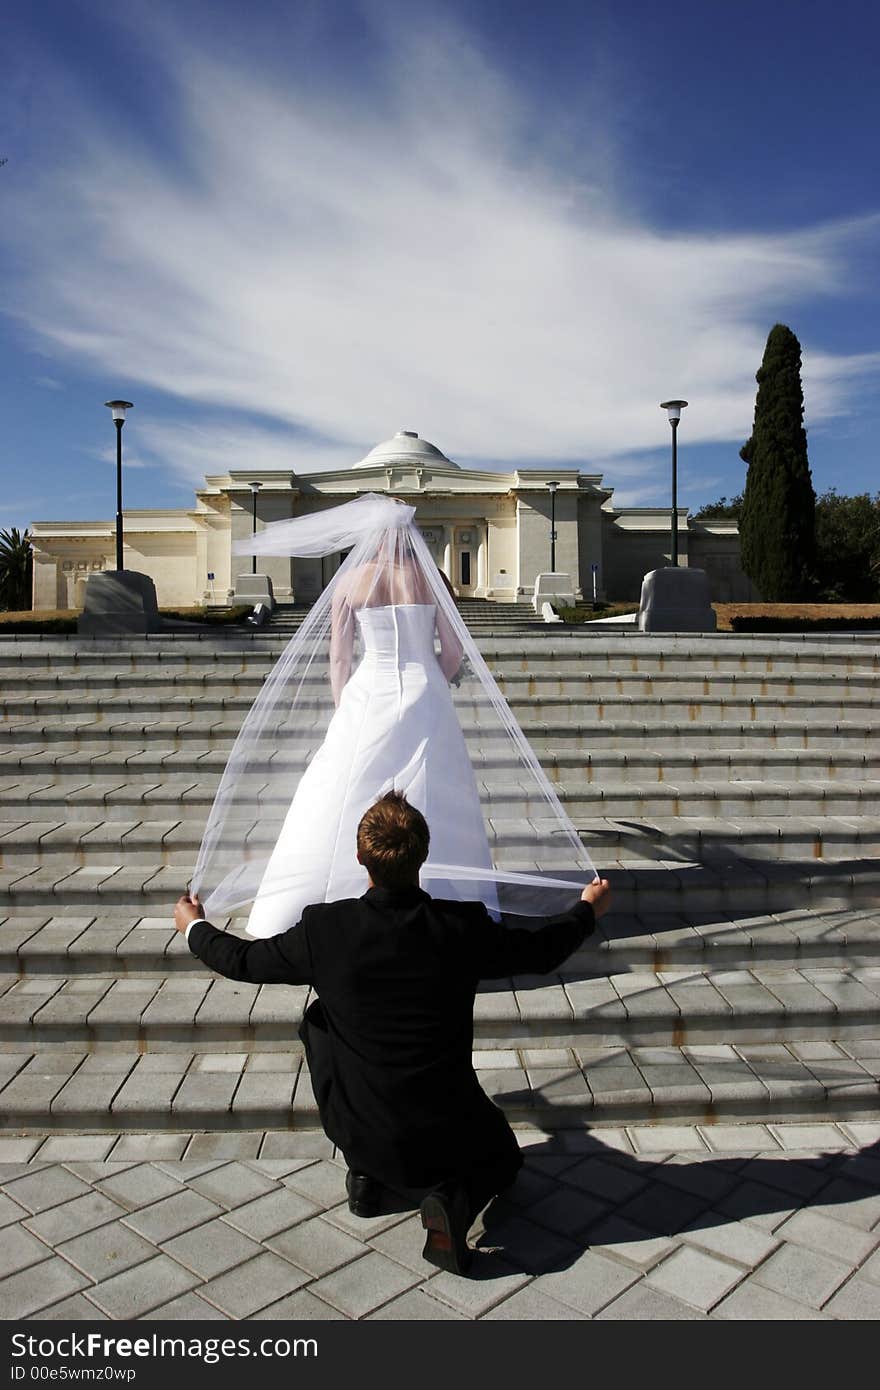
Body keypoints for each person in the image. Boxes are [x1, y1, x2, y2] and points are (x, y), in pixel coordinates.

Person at [176, 790, 611, 1276]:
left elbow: (241, 961)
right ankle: (452, 1202)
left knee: (319, 1018)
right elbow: (541, 951)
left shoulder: (326, 929)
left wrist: (195, 927)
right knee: (503, 1159)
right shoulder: (460, 926)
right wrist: (586, 910)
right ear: (423, 856)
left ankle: (366, 1178)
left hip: (358, 1124)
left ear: (360, 858)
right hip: (446, 1129)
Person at [190, 493, 597, 938]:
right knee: (441, 788)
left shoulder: (350, 581)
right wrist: (438, 678)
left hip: (369, 689)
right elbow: (455, 648)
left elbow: (340, 659)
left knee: (342, 788)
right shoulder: (431, 577)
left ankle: (318, 900)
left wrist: (345, 703)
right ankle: (452, 898)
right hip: (425, 689)